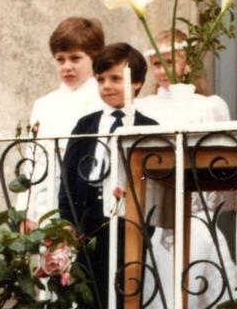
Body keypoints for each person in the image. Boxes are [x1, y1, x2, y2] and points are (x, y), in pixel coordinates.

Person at [136, 31, 237, 309]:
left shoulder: (207, 106)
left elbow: (224, 162)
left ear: (188, 63)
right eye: (157, 64)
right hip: (157, 217)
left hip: (197, 212)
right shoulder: (142, 107)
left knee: (197, 279)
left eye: (170, 61)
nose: (163, 70)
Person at [59, 44, 158, 309]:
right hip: (88, 223)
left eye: (115, 78)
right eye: (101, 79)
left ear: (136, 82)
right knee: (89, 294)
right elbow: (68, 176)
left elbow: (157, 182)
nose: (106, 86)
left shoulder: (150, 128)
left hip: (129, 224)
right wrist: (68, 220)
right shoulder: (86, 124)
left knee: (125, 290)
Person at [19, 17, 104, 223]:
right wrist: (25, 212)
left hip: (85, 205)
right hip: (45, 204)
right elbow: (32, 160)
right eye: (60, 59)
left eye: (75, 59)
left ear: (93, 57)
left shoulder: (101, 101)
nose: (67, 67)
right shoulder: (44, 105)